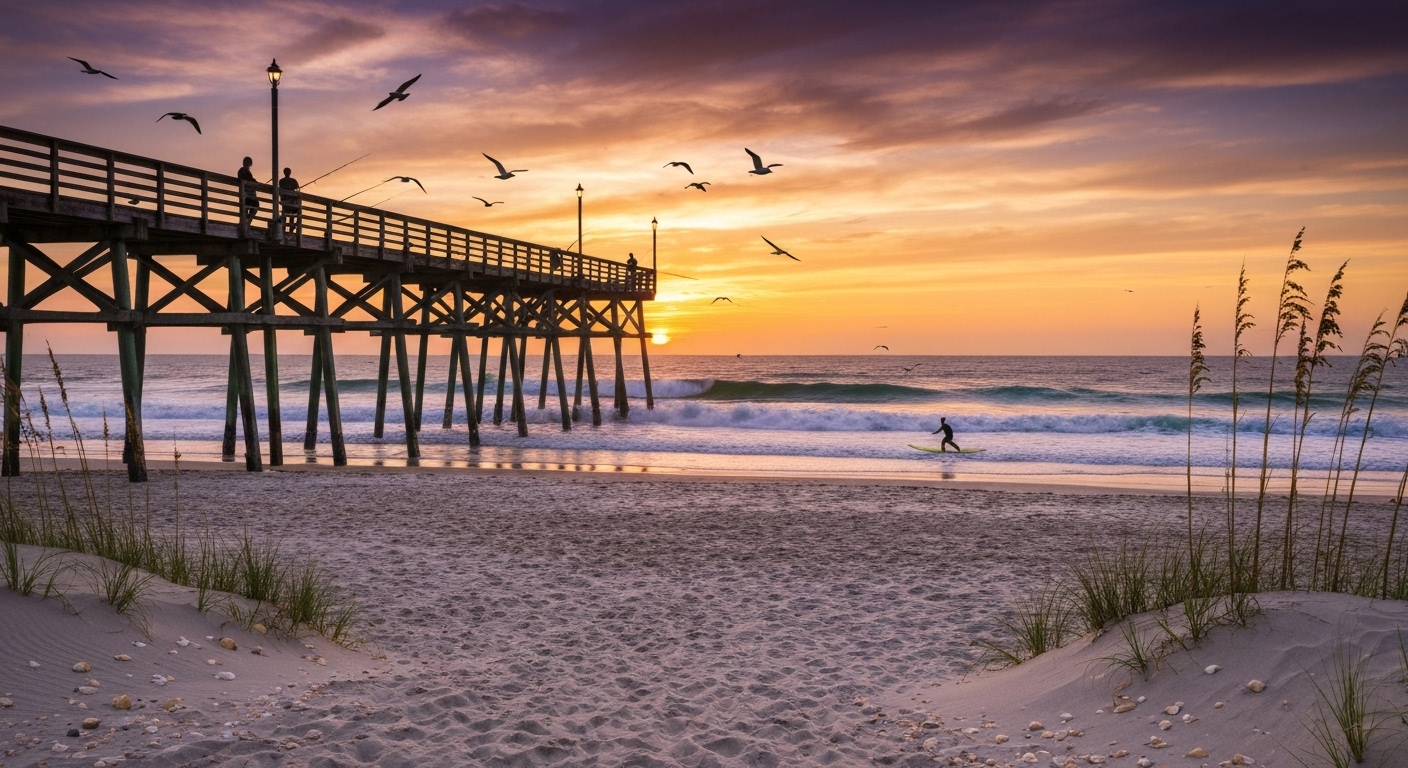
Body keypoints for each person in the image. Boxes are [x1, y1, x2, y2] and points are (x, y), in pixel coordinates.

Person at [278, 167, 301, 236]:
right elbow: (298, 190)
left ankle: (284, 229)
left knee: (285, 213)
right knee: (294, 213)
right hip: (291, 202)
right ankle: (291, 229)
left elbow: (281, 191)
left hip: (284, 202)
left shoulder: (281, 181)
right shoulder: (293, 181)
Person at [237, 157, 259, 224]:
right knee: (255, 205)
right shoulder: (243, 170)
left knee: (246, 209)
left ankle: (246, 222)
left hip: (246, 194)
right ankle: (247, 222)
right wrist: (254, 181)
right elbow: (248, 179)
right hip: (248, 194)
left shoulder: (243, 170)